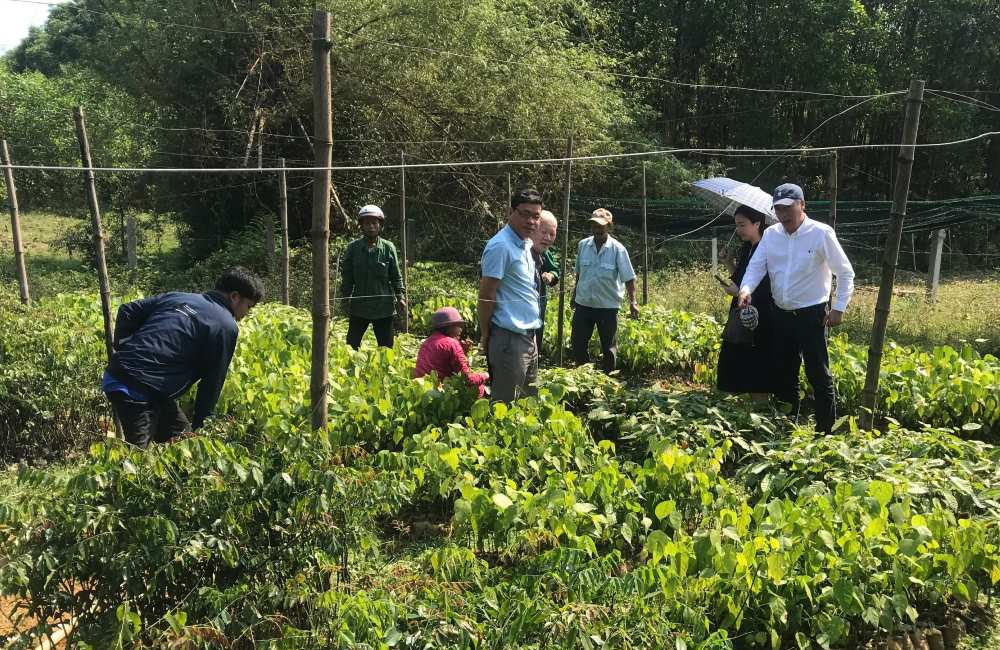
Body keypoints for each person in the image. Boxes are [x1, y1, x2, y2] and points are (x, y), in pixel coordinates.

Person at [738, 183, 855, 434]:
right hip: (780, 313)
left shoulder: (821, 233)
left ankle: (825, 432)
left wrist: (839, 308)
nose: (783, 214)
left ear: (802, 205)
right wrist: (746, 289)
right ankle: (787, 426)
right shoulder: (771, 235)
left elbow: (845, 273)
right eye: (778, 209)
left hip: (812, 315)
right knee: (784, 372)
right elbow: (757, 267)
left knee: (818, 374)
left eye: (789, 207)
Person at [102, 266, 264, 448]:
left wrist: (125, 348)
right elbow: (212, 383)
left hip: (141, 384)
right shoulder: (226, 326)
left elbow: (127, 310)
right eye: (248, 306)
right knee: (138, 461)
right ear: (235, 297)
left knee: (184, 445)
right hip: (135, 389)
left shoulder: (179, 297)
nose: (247, 313)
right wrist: (202, 428)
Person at [479, 187, 543, 403]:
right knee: (504, 406)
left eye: (536, 216)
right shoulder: (500, 246)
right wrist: (486, 334)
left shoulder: (525, 243)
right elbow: (487, 294)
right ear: (511, 212)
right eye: (525, 214)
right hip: (509, 338)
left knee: (527, 401)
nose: (531, 221)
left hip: (528, 336)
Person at [716, 205, 774, 399]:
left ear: (757, 223)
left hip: (758, 316)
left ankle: (759, 409)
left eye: (742, 224)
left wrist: (737, 291)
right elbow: (742, 279)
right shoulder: (746, 248)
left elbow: (767, 287)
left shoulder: (766, 250)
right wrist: (728, 263)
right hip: (740, 312)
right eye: (736, 225)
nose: (738, 230)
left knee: (755, 365)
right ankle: (736, 410)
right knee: (733, 359)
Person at [570, 208, 639, 373]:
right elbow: (579, 273)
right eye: (594, 225)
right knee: (578, 343)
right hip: (584, 303)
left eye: (601, 226)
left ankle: (607, 382)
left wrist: (633, 302)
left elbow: (628, 278)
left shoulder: (618, 249)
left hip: (607, 306)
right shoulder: (583, 245)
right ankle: (583, 377)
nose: (597, 230)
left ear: (609, 226)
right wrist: (574, 294)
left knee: (608, 348)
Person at [341, 204, 406, 350]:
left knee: (386, 347)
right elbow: (347, 276)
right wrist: (345, 298)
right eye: (367, 223)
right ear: (362, 226)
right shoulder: (353, 248)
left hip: (383, 306)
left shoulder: (388, 248)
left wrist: (400, 296)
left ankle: (384, 372)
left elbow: (396, 275)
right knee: (352, 345)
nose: (371, 226)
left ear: (380, 225)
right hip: (359, 306)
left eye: (374, 223)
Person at [414, 307, 489, 397]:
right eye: (459, 326)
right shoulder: (452, 344)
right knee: (478, 388)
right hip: (440, 393)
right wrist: (485, 375)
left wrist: (463, 351)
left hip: (422, 389)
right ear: (449, 327)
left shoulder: (427, 342)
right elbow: (467, 380)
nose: (461, 329)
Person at [529, 210, 560, 355]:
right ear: (533, 228)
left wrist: (551, 275)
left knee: (536, 336)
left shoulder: (544, 252)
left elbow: (555, 270)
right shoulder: (517, 249)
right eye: (543, 232)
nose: (548, 238)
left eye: (552, 234)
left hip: (538, 303)